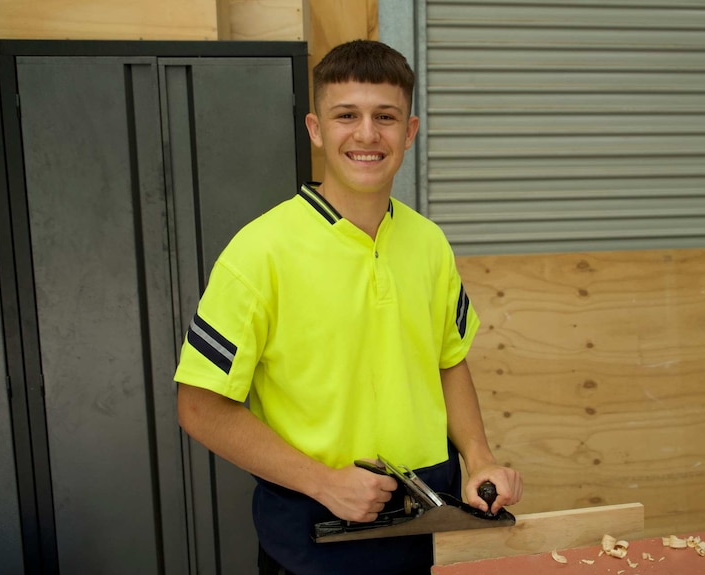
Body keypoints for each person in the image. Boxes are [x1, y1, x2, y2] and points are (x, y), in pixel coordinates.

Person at [175, 39, 523, 575]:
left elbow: (448, 360)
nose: (366, 134)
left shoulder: (429, 244)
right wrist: (324, 482)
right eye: (346, 116)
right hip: (313, 533)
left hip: (426, 530)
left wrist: (479, 458)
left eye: (385, 117)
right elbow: (199, 407)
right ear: (316, 130)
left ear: (409, 132)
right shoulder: (260, 251)